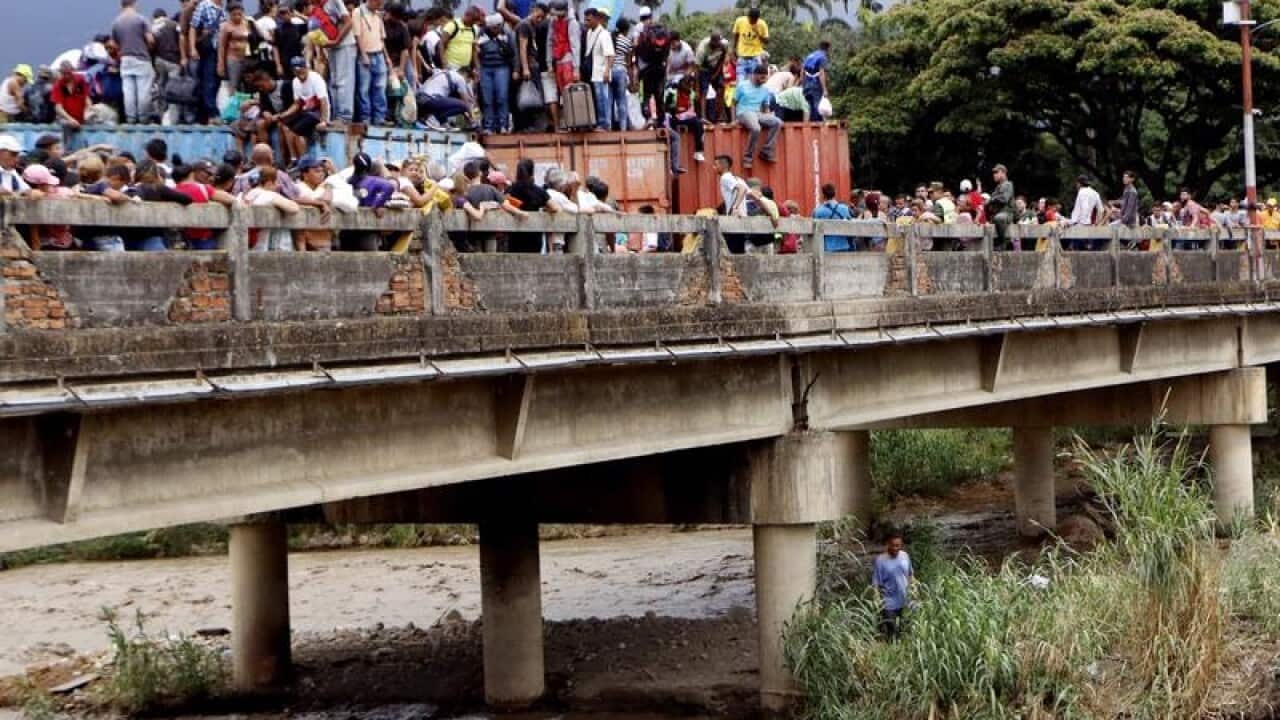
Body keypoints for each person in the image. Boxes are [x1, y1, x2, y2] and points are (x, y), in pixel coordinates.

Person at [174, 161, 236, 250]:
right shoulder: (203, 188)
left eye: (211, 174)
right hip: (203, 240)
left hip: (183, 240)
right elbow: (232, 200)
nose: (210, 176)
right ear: (193, 173)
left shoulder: (172, 190)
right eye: (207, 173)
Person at [114, 0, 156, 124]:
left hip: (125, 59)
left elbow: (115, 43)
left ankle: (131, 118)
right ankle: (143, 118)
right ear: (134, 3)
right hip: (141, 58)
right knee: (143, 90)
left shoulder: (116, 22)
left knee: (128, 90)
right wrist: (148, 48)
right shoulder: (141, 19)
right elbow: (151, 40)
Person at [280, 56, 330, 160]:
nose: (299, 73)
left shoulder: (315, 78)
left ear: (306, 68)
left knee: (296, 131)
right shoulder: (295, 82)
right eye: (296, 71)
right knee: (284, 126)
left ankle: (303, 160)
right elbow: (297, 103)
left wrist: (324, 121)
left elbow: (323, 101)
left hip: (317, 112)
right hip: (306, 111)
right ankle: (294, 159)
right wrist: (285, 114)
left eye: (301, 70)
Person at [244, 165, 302, 251]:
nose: (278, 185)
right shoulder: (268, 195)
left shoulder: (249, 194)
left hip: (247, 243)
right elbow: (294, 209)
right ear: (269, 183)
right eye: (277, 182)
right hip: (259, 246)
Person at [733, 64, 779, 170]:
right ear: (754, 75)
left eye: (765, 77)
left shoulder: (765, 90)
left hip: (757, 113)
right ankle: (747, 158)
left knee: (777, 122)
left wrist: (768, 116)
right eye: (762, 77)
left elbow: (766, 106)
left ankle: (766, 151)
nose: (764, 80)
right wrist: (734, 119)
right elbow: (734, 103)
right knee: (756, 128)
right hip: (744, 112)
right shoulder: (742, 85)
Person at [476, 13, 516, 134]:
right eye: (493, 27)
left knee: (502, 97)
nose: (496, 29)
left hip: (502, 68)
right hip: (485, 68)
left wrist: (516, 69)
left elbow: (514, 52)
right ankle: (489, 126)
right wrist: (477, 69)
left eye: (498, 27)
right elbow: (475, 52)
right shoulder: (481, 34)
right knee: (487, 99)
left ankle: (503, 125)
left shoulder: (507, 34)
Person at [544, 0, 580, 129]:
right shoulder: (553, 22)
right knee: (562, 94)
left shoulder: (572, 23)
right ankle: (566, 121)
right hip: (558, 60)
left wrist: (576, 68)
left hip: (568, 60)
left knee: (570, 92)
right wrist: (549, 63)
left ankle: (573, 122)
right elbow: (549, 42)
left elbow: (575, 45)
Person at [505, 158, 550, 252]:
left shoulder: (510, 190)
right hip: (534, 238)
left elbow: (503, 203)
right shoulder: (538, 191)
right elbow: (556, 208)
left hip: (514, 237)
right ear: (532, 172)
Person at [872, 533, 912, 640]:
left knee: (904, 630)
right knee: (893, 632)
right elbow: (876, 582)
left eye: (898, 545)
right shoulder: (880, 560)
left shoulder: (905, 556)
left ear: (901, 545)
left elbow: (910, 574)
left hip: (905, 600)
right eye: (893, 545)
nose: (895, 548)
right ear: (888, 544)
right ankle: (891, 651)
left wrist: (914, 590)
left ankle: (902, 653)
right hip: (888, 603)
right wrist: (877, 599)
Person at [581, 8, 615, 131]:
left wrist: (607, 71)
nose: (586, 22)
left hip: (601, 72)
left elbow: (610, 55)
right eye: (585, 20)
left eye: (589, 20)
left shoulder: (604, 34)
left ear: (596, 19)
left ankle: (605, 124)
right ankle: (599, 123)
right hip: (592, 72)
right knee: (597, 98)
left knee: (603, 99)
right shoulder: (589, 32)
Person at [633, 17, 669, 126]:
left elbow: (638, 53)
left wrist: (637, 73)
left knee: (647, 96)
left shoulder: (644, 38)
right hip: (658, 70)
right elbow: (665, 57)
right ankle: (660, 121)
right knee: (659, 96)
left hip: (648, 70)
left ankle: (648, 118)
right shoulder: (665, 38)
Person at [664, 73, 705, 170]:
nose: (690, 87)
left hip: (686, 118)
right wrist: (676, 111)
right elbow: (666, 108)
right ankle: (671, 163)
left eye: (691, 85)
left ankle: (698, 151)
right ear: (681, 83)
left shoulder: (692, 94)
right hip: (673, 118)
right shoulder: (672, 93)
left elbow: (692, 110)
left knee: (698, 124)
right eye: (688, 84)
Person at [152, 9, 185, 124]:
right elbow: (181, 39)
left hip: (159, 61)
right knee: (173, 91)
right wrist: (183, 57)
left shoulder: (153, 27)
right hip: (173, 61)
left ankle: (161, 117)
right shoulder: (174, 25)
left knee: (160, 89)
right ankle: (172, 119)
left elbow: (151, 44)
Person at [729, 6, 768, 80]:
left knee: (754, 82)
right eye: (751, 19)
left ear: (758, 18)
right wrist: (733, 49)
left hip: (755, 58)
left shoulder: (762, 24)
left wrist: (758, 33)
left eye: (755, 19)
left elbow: (766, 41)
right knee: (740, 82)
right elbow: (735, 35)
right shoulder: (740, 21)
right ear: (748, 16)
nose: (753, 21)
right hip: (742, 57)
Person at [694, 32, 725, 121]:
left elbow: (723, 58)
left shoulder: (724, 45)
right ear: (711, 42)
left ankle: (720, 117)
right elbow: (696, 69)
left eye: (718, 45)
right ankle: (703, 117)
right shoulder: (702, 49)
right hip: (703, 68)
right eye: (714, 46)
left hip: (716, 67)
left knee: (721, 89)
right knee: (704, 91)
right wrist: (697, 88)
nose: (716, 47)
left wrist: (716, 73)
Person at [813, 183, 854, 251]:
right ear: (835, 193)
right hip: (843, 246)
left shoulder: (817, 211)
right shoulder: (845, 209)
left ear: (823, 195)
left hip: (826, 248)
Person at [609, 17, 633, 130]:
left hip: (609, 71)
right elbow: (628, 62)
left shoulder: (610, 37)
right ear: (626, 29)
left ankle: (609, 126)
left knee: (609, 100)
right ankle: (623, 128)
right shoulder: (627, 41)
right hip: (621, 71)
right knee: (621, 100)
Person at [51, 62, 92, 130]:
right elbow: (58, 108)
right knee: (66, 125)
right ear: (61, 73)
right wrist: (70, 119)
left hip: (82, 117)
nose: (67, 76)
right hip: (66, 119)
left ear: (72, 71)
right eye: (64, 73)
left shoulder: (80, 80)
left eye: (68, 73)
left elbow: (87, 99)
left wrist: (88, 111)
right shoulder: (58, 86)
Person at [441, 6, 482, 71]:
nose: (474, 22)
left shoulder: (474, 29)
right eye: (473, 20)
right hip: (452, 65)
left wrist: (477, 66)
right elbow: (442, 44)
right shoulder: (452, 25)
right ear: (467, 15)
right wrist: (444, 63)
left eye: (476, 20)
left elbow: (474, 49)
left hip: (466, 67)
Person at [987, 164, 1014, 247]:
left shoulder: (1008, 184)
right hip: (996, 214)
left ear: (1003, 173)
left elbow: (1004, 199)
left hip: (1007, 213)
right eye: (993, 173)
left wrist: (991, 199)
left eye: (996, 172)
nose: (994, 175)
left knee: (999, 218)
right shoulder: (998, 187)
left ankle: (1004, 242)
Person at [800, 40, 828, 122]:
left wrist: (803, 84)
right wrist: (825, 89)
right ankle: (817, 127)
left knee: (809, 106)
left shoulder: (810, 56)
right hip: (816, 84)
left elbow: (802, 70)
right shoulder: (822, 57)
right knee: (817, 106)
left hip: (807, 84)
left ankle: (811, 127)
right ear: (827, 48)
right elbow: (821, 73)